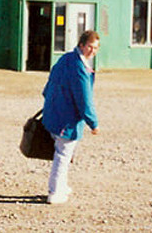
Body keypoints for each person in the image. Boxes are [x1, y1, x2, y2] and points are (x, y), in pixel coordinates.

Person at [41, 30, 100, 204]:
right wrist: (93, 123)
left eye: (95, 48)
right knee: (63, 154)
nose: (92, 51)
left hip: (53, 113)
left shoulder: (65, 59)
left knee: (63, 153)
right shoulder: (80, 69)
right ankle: (55, 192)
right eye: (89, 46)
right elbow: (84, 99)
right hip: (66, 119)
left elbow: (48, 86)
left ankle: (62, 185)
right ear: (81, 45)